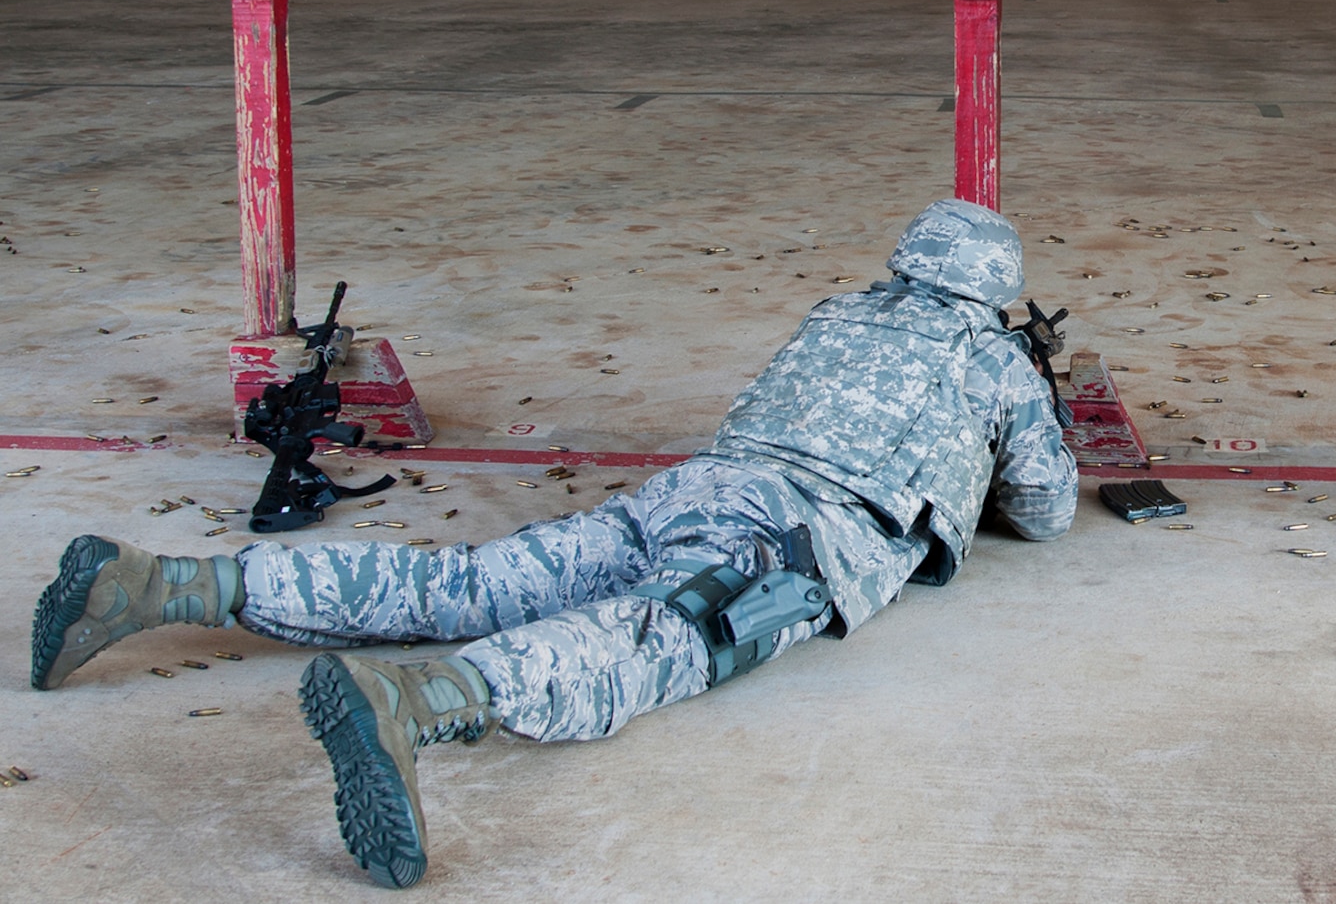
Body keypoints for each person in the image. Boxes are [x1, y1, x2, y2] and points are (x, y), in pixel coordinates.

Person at [31, 199, 1076, 888]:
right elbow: (1043, 507)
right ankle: (427, 702)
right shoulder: (991, 363)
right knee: (653, 639)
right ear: (991, 286)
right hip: (797, 536)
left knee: (471, 581)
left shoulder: (838, 311)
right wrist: (1018, 413)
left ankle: (163, 583)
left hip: (697, 487)